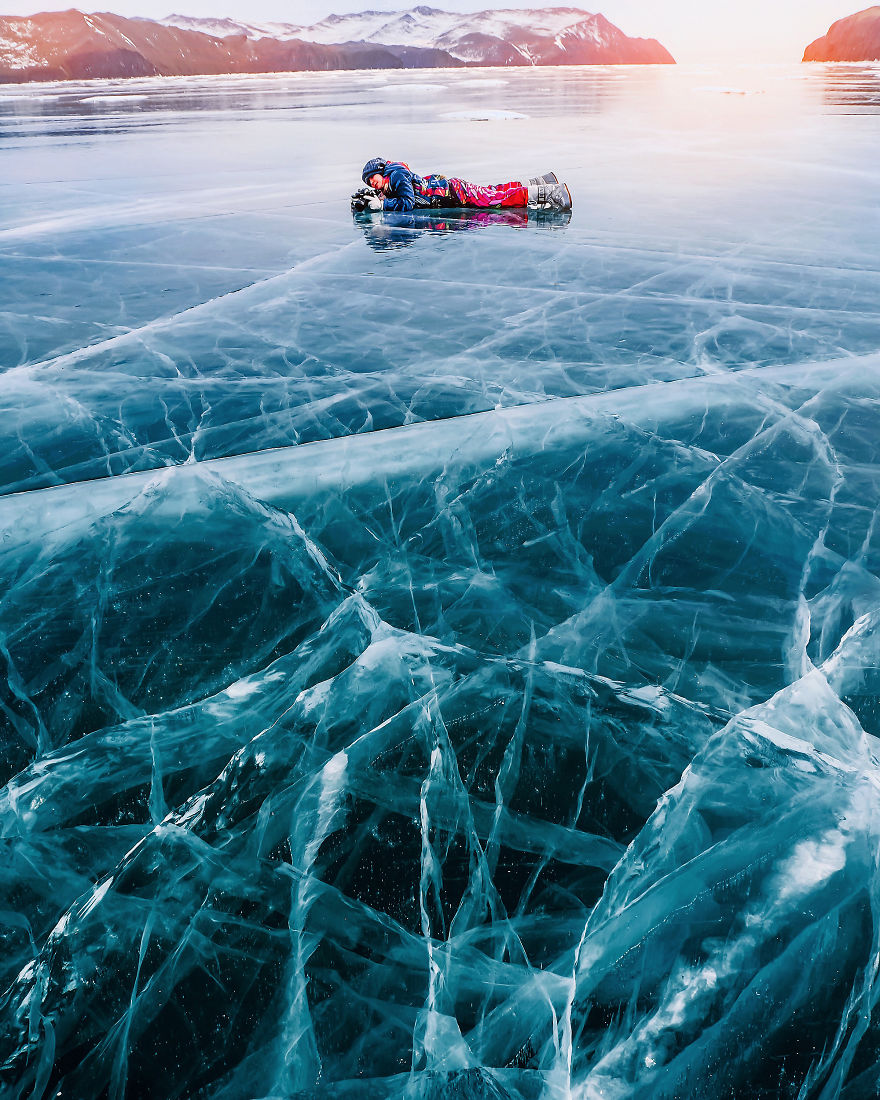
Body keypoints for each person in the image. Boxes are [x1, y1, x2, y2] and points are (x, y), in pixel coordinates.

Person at [355, 158, 572, 213]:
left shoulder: (397, 175)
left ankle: (551, 193)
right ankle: (539, 182)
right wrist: (370, 199)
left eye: (372, 178)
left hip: (455, 193)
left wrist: (382, 206)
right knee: (492, 192)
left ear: (381, 171)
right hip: (453, 189)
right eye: (368, 182)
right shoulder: (391, 180)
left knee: (495, 199)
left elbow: (407, 202)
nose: (372, 183)